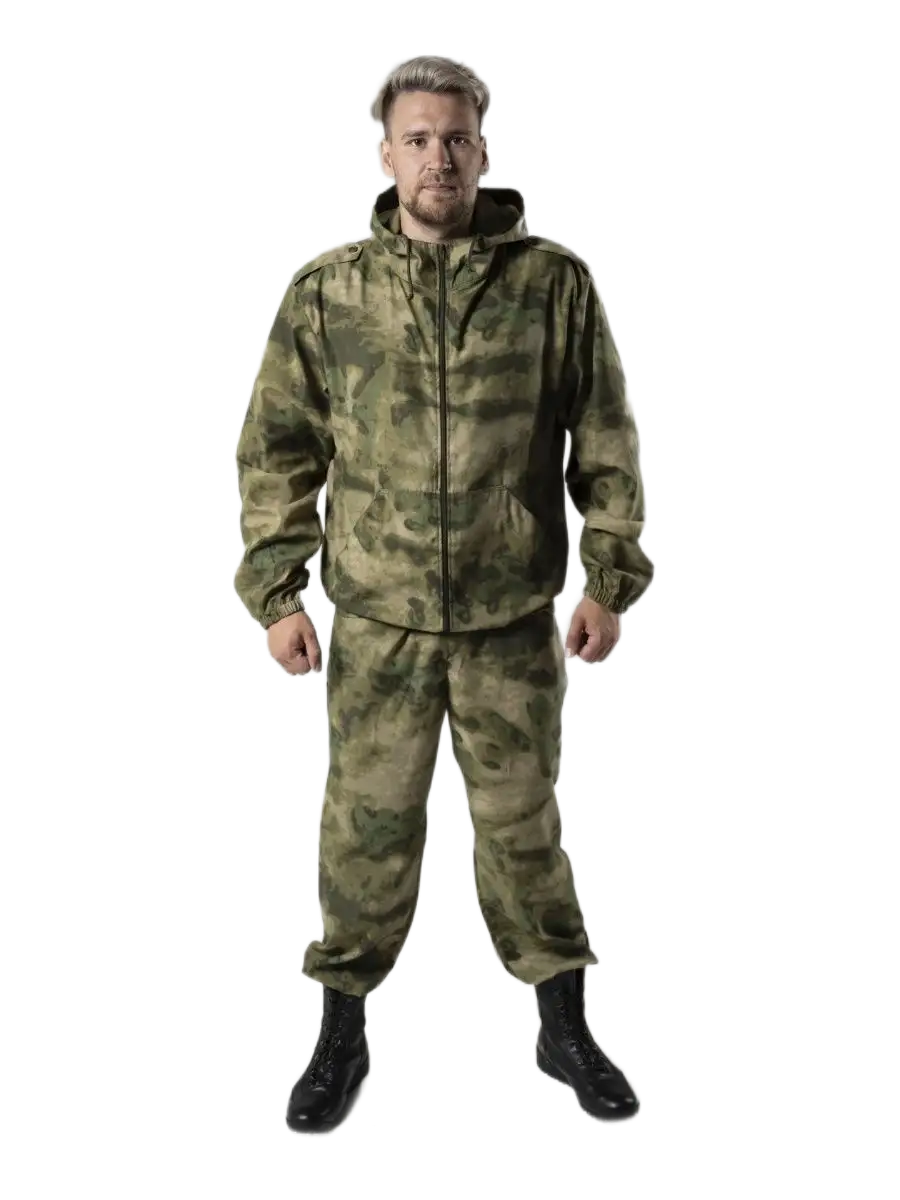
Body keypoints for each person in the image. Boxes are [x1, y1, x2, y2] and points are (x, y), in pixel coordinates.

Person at [233, 53, 655, 1137]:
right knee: (363, 827)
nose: (439, 158)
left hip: (513, 619)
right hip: (378, 621)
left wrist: (609, 576)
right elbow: (277, 449)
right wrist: (278, 592)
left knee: (525, 825)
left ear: (485, 148)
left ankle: (563, 1024)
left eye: (457, 137)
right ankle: (341, 1028)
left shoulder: (555, 284)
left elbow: (606, 437)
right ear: (384, 154)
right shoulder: (327, 292)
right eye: (417, 139)